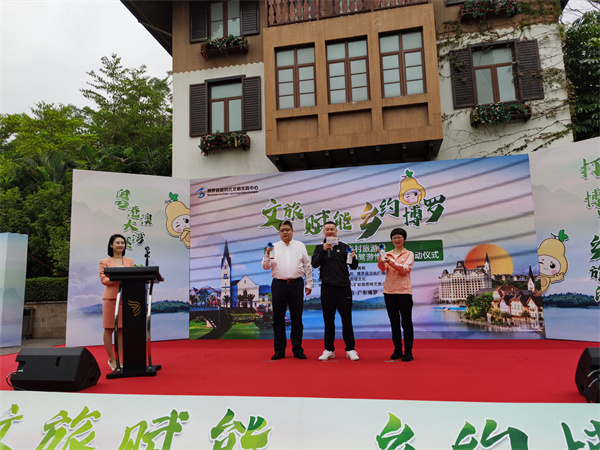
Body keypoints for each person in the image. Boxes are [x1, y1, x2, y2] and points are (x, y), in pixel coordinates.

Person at [262, 220, 313, 360]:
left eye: (287, 230)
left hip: (296, 284)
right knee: (278, 319)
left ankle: (297, 349)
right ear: (279, 232)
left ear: (292, 231)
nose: (285, 232)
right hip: (279, 285)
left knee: (297, 318)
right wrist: (267, 255)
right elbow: (265, 267)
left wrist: (309, 284)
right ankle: (279, 350)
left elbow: (307, 266)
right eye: (282, 230)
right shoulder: (273, 247)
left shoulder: (300, 246)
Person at [311, 221, 359, 361]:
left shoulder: (345, 247)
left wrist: (353, 257)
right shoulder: (319, 248)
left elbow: (354, 266)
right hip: (327, 288)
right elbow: (314, 264)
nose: (330, 231)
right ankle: (329, 349)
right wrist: (323, 250)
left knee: (347, 319)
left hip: (343, 288)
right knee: (328, 320)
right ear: (324, 232)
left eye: (332, 229)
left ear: (336, 231)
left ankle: (350, 349)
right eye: (327, 229)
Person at [377, 228, 415, 361]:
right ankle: (397, 350)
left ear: (404, 239)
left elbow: (404, 270)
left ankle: (408, 352)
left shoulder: (409, 254)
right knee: (394, 323)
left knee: (406, 323)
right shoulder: (387, 254)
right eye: (394, 237)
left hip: (404, 292)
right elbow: (382, 268)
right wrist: (380, 258)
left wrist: (390, 261)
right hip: (389, 292)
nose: (396, 240)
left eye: (399, 237)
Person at [99, 234, 134, 370]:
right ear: (111, 245)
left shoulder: (129, 261)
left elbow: (132, 276)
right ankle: (111, 359)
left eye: (122, 243)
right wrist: (118, 279)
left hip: (126, 298)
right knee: (109, 329)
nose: (120, 245)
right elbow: (104, 280)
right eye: (117, 243)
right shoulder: (104, 261)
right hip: (111, 299)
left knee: (121, 329)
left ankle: (119, 358)